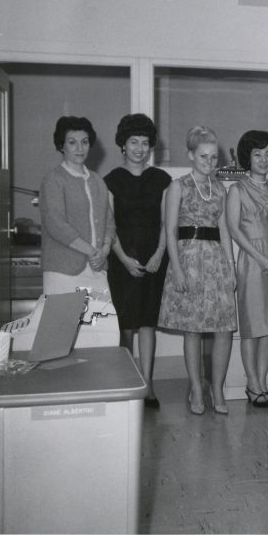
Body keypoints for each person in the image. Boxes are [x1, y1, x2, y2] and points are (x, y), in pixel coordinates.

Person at [158, 126, 237, 415]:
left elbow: (225, 230)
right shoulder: (177, 186)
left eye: (214, 157)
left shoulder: (220, 188)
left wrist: (230, 267)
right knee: (193, 330)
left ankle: (217, 388)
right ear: (191, 155)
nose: (210, 162)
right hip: (188, 258)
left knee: (224, 329)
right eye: (204, 156)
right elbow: (169, 233)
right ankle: (196, 388)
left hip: (216, 260)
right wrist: (177, 269)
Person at [104, 114, 171, 409]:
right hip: (122, 260)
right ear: (123, 145)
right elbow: (109, 225)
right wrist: (123, 258)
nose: (140, 148)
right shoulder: (111, 181)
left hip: (154, 258)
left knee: (147, 323)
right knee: (124, 325)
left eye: (145, 143)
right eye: (134, 142)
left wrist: (159, 253)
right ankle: (125, 385)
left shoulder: (161, 179)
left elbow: (167, 223)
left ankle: (148, 386)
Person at [226, 130, 268, 408]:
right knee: (252, 326)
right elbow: (233, 229)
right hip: (251, 261)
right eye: (257, 154)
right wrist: (260, 258)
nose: (264, 159)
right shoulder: (237, 189)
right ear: (246, 158)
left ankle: (262, 383)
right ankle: (252, 384)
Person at [39, 116, 115, 295]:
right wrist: (91, 251)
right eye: (72, 142)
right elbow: (55, 224)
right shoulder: (53, 180)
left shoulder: (98, 181)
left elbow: (109, 223)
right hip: (63, 271)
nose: (80, 148)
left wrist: (104, 250)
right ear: (61, 146)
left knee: (99, 323)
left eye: (85, 142)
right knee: (63, 323)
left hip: (97, 268)